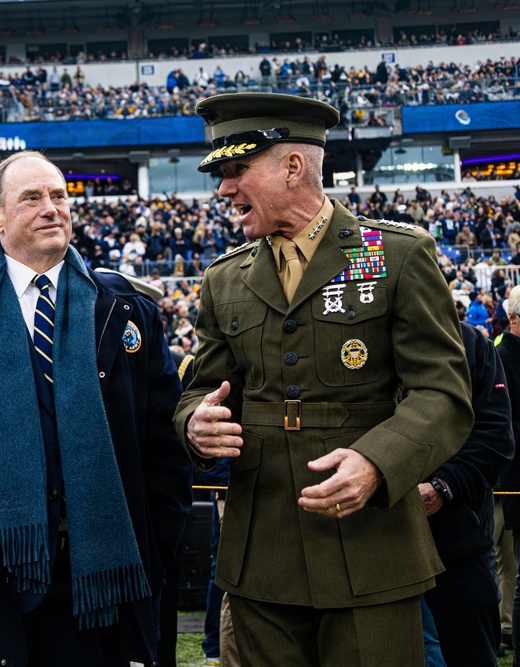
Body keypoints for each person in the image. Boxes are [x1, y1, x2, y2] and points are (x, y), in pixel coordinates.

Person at [176, 93, 474, 666]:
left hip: (371, 545)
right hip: (259, 552)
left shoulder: (393, 256)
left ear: (292, 167)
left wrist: (378, 462)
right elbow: (199, 392)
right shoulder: (224, 280)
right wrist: (196, 425)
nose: (223, 190)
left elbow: (442, 392)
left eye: (237, 171)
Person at [0, 150, 192, 667]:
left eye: (59, 196)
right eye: (32, 198)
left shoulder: (123, 309)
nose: (52, 208)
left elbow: (165, 445)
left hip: (103, 585)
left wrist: (153, 544)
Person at [421, 321, 514, 666]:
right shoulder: (361, 336)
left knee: (467, 651)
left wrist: (444, 487)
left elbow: (496, 435)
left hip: (459, 543)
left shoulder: (472, 342)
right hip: (378, 546)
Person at [495, 287, 520, 666]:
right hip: (505, 477)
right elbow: (501, 421)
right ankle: (501, 629)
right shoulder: (500, 355)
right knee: (500, 556)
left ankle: (507, 626)